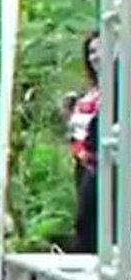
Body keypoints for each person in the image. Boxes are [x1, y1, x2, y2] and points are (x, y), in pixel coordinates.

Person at [62, 31, 101, 253]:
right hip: (82, 165)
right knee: (87, 221)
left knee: (88, 221)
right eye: (91, 51)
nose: (95, 56)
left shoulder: (119, 90)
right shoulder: (88, 93)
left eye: (100, 50)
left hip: (103, 166)